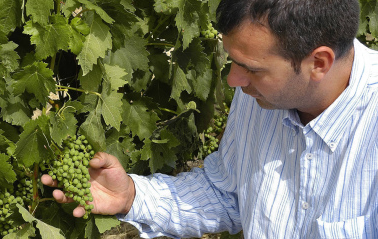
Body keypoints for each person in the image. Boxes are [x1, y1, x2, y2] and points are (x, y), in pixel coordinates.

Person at [42, 0, 378, 238]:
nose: (233, 80)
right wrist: (131, 196)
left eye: (252, 68)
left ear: (318, 63)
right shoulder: (261, 95)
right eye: (235, 61)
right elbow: (227, 193)